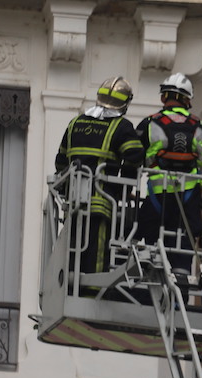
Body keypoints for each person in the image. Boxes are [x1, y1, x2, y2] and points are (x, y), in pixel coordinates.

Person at [55, 76, 145, 277]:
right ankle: (92, 291)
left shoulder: (75, 123)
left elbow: (61, 161)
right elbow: (135, 155)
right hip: (101, 203)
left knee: (72, 254)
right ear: (125, 103)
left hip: (73, 203)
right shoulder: (121, 127)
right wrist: (123, 189)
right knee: (95, 258)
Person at [137, 72, 202, 273]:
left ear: (163, 97)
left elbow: (134, 157)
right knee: (183, 248)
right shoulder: (199, 126)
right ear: (187, 100)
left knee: (150, 239)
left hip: (158, 196)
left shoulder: (149, 123)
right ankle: (181, 278)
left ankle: (150, 268)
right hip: (188, 197)